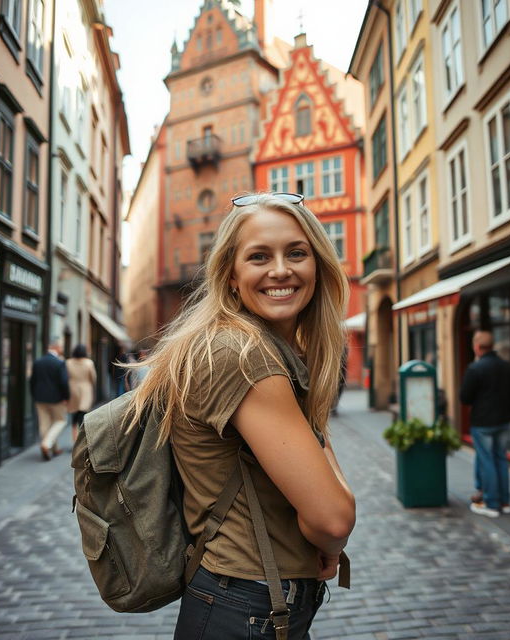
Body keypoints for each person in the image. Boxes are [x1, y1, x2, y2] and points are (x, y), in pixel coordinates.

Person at [126, 192, 356, 639]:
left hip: (249, 601)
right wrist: (332, 541)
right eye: (258, 256)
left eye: (296, 252)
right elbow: (332, 517)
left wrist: (327, 534)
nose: (281, 270)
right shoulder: (243, 355)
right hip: (248, 608)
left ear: (318, 265)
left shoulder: (267, 349)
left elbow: (317, 467)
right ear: (231, 275)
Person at [460, 330, 510, 518]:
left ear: (476, 347)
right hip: (503, 420)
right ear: (492, 346)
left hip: (483, 422)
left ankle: (491, 504)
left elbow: (465, 397)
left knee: (487, 461)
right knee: (501, 458)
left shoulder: (475, 369)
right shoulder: (506, 366)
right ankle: (505, 501)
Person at [30, 341, 70, 461]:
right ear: (56, 348)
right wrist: (66, 397)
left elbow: (32, 381)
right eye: (61, 347)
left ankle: (54, 449)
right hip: (56, 398)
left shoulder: (38, 362)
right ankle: (46, 444)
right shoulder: (59, 363)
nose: (62, 349)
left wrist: (34, 395)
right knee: (61, 421)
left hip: (40, 398)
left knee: (45, 423)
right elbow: (64, 382)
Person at [66, 344, 97, 442]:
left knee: (73, 418)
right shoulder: (89, 363)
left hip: (72, 390)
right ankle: (82, 441)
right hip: (85, 391)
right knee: (83, 416)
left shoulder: (68, 362)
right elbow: (93, 378)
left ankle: (74, 440)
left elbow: (65, 376)